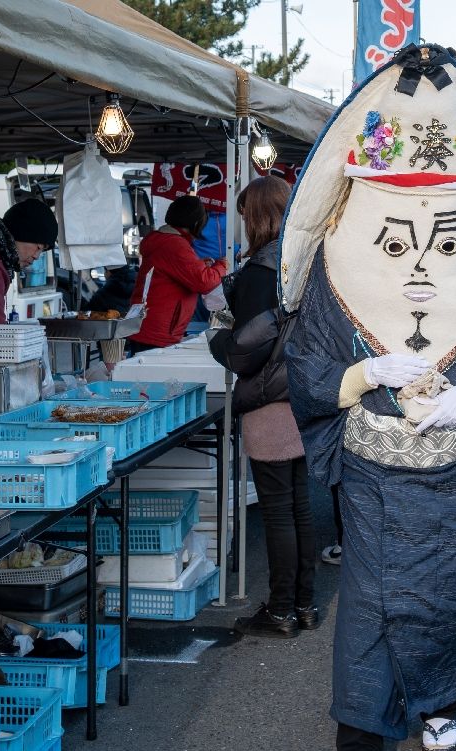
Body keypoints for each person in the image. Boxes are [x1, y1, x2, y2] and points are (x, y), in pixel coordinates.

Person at [281, 44, 456, 751]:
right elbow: (307, 365)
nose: (422, 264)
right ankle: (361, 733)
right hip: (375, 465)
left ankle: (438, 701)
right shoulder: (339, 281)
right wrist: (364, 373)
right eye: (397, 239)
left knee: (455, 592)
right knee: (370, 598)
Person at [208, 176, 317, 638]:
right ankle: (305, 605)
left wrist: (218, 334)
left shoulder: (257, 273)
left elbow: (244, 350)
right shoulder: (306, 264)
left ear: (254, 217)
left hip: (270, 400)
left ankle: (281, 609)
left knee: (278, 508)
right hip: (305, 394)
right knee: (299, 506)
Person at [127, 195, 226, 352]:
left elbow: (177, 271)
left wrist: (200, 265)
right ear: (196, 222)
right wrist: (222, 265)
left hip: (146, 326)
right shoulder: (175, 244)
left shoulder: (162, 239)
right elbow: (204, 281)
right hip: (156, 331)